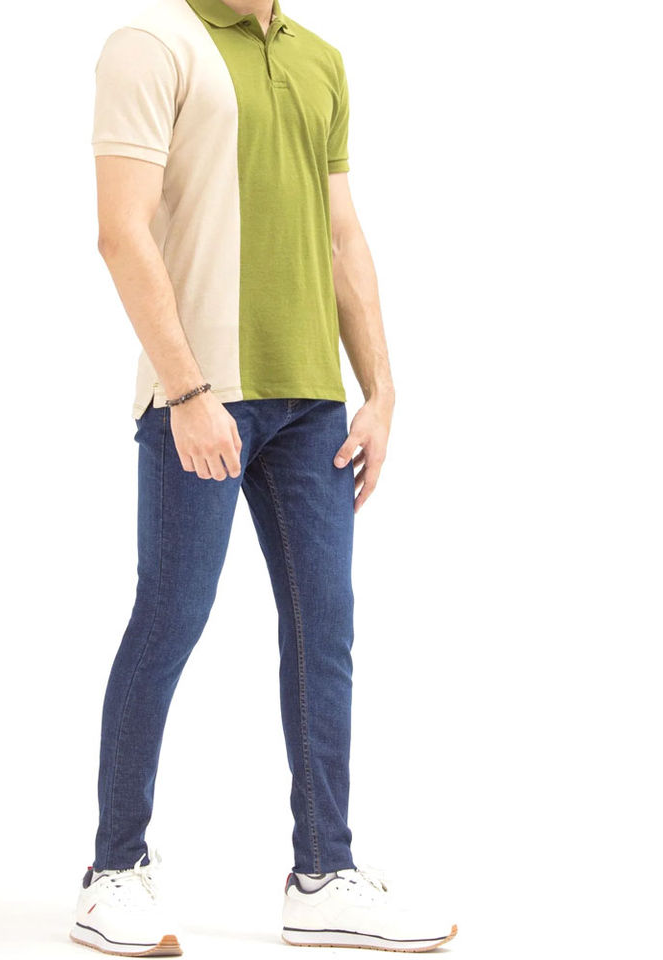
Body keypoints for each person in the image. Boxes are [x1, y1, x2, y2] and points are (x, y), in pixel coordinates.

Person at [70, 0, 457, 954]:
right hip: (200, 396)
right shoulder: (152, 46)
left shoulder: (319, 58)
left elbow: (342, 236)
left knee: (326, 631)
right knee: (170, 617)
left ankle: (323, 873)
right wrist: (186, 388)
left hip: (312, 404)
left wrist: (381, 390)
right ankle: (113, 871)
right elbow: (121, 231)